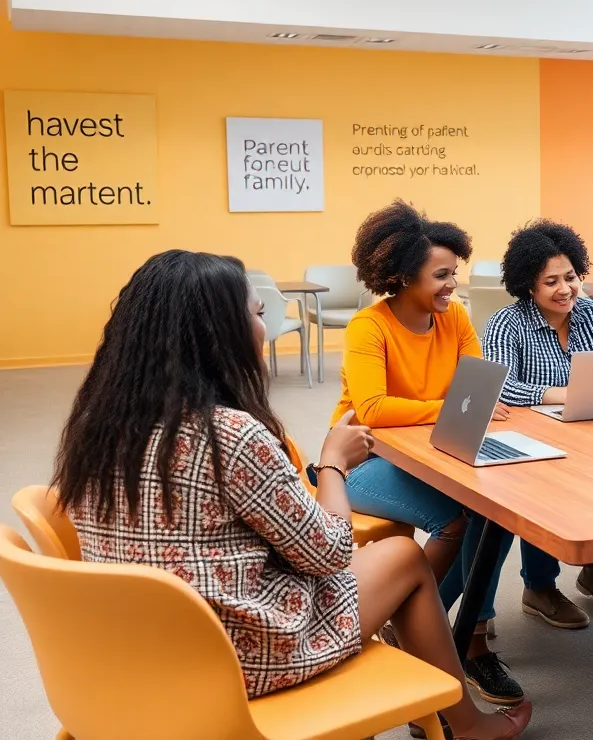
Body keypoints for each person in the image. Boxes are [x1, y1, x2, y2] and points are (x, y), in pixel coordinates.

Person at [53, 251, 530, 740]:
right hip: (241, 655)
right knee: (404, 556)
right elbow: (328, 552)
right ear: (219, 333)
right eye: (259, 314)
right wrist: (333, 463)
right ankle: (468, 724)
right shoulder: (231, 436)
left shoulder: (95, 429)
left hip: (134, 655)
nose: (264, 328)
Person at [331, 200, 522, 706]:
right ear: (401, 276)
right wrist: (446, 407)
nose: (451, 285)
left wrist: (463, 406)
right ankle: (430, 631)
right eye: (440, 275)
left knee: (498, 515)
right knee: (457, 520)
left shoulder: (455, 317)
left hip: (431, 452)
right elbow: (370, 409)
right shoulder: (368, 328)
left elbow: (479, 386)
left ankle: (437, 629)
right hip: (361, 463)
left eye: (452, 273)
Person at [467, 219, 593, 630]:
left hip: (592, 425)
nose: (565, 289)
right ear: (528, 286)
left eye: (571, 277)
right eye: (551, 281)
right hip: (530, 435)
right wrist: (560, 393)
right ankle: (540, 588)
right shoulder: (507, 322)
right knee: (546, 494)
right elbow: (501, 388)